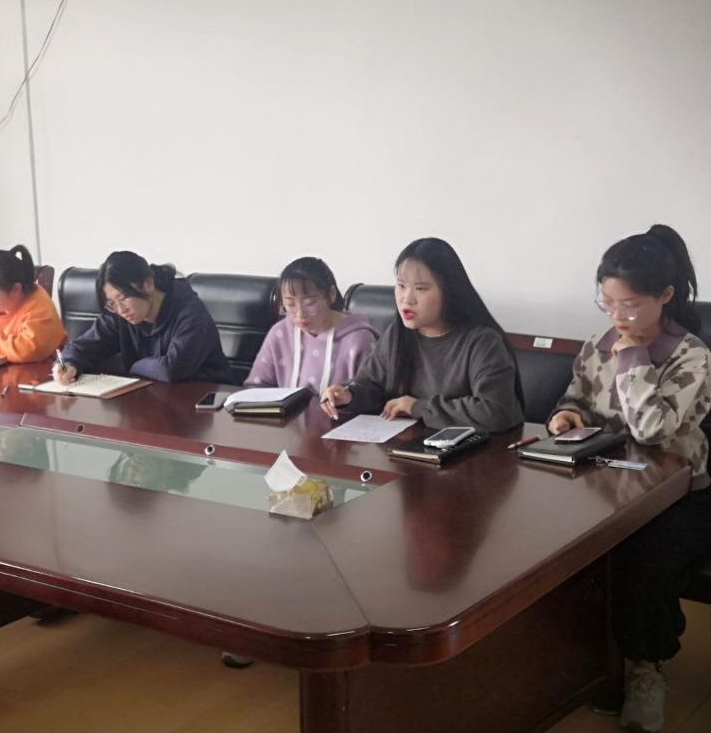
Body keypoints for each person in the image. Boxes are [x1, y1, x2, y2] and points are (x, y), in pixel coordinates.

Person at [548, 225, 711, 733]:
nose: (618, 317)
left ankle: (646, 666)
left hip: (676, 493)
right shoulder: (597, 345)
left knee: (643, 562)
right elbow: (574, 396)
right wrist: (566, 416)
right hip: (605, 481)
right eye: (609, 303)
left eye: (632, 305)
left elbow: (653, 430)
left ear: (665, 295)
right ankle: (570, 660)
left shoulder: (691, 356)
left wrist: (634, 357)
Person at [320, 237, 523, 432]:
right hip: (404, 446)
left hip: (469, 452)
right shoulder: (397, 334)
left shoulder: (482, 342)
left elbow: (495, 411)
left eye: (420, 289)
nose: (407, 299)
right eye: (401, 286)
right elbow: (371, 385)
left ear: (449, 292)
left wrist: (418, 407)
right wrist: (349, 394)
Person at [53, 251, 233, 384]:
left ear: (148, 284)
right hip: (152, 398)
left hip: (202, 401)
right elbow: (83, 346)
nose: (120, 309)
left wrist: (134, 366)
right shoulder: (119, 313)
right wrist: (70, 364)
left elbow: (172, 369)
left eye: (124, 297)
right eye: (112, 303)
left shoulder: (190, 312)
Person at [246, 257, 378, 394]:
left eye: (309, 303)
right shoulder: (280, 333)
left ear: (331, 294)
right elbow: (255, 389)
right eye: (290, 304)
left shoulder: (359, 340)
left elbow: (370, 396)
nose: (300, 313)